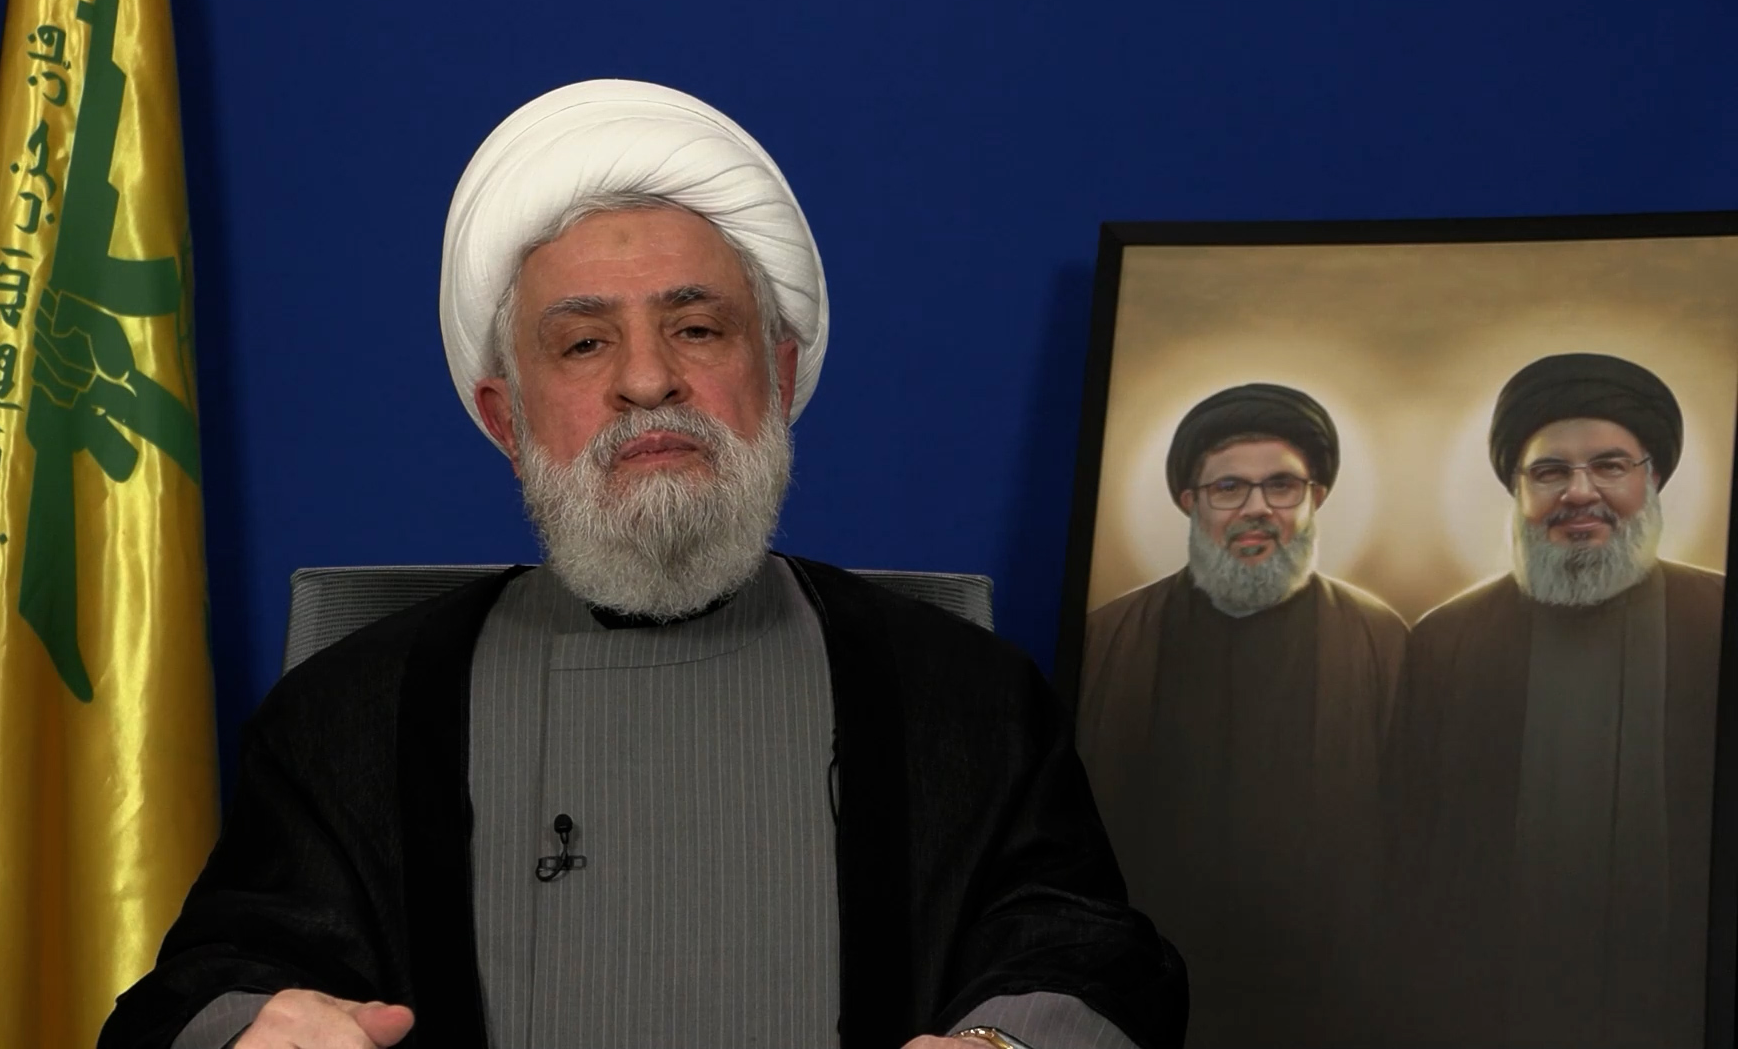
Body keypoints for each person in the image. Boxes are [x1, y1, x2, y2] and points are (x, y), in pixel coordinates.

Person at [98, 80, 1185, 1049]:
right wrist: (254, 1033)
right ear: (506, 419)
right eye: (584, 343)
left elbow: (1087, 952)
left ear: (779, 374)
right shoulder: (347, 717)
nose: (649, 381)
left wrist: (1002, 1045)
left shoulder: (964, 694)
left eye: (698, 329)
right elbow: (209, 984)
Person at [1387, 352, 1723, 1048]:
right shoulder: (1445, 642)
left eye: (1610, 466)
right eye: (1549, 472)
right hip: (1491, 1012)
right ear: (1517, 489)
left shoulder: (1718, 621)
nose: (1579, 492)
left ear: (1653, 478)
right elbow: (1412, 861)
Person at [1074, 383, 1405, 1048]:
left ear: (1316, 497)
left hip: (1327, 996)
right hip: (1144, 988)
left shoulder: (1383, 642)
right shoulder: (1109, 638)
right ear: (1189, 501)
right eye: (1229, 487)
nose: (1257, 509)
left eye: (1282, 486)